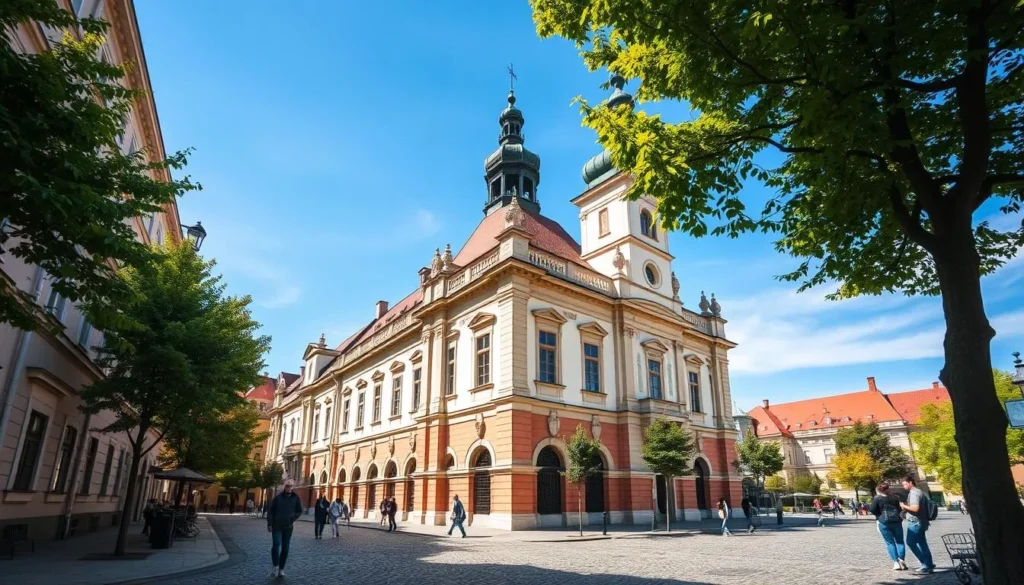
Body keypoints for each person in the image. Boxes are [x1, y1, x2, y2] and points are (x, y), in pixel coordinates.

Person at [267, 479, 303, 579]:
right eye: (287, 486)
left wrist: (292, 518)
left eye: (291, 486)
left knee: (285, 548)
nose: (289, 487)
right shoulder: (278, 498)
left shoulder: (296, 498)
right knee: (276, 545)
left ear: (293, 487)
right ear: (284, 486)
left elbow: (299, 511)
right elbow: (271, 511)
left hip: (288, 527)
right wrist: (270, 523)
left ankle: (281, 569)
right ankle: (275, 566)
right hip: (276, 526)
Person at [900, 476, 934, 574]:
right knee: (923, 544)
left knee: (911, 542)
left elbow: (915, 508)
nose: (903, 486)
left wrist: (903, 506)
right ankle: (929, 564)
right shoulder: (919, 492)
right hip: (921, 521)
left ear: (910, 482)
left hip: (915, 522)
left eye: (904, 484)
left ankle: (925, 564)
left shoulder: (914, 493)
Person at [870, 483, 908, 571]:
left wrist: (879, 516)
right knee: (900, 542)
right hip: (896, 521)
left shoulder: (877, 498)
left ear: (879, 490)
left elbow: (872, 510)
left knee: (890, 543)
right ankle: (902, 559)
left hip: (884, 522)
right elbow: (899, 509)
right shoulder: (894, 497)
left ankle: (896, 563)